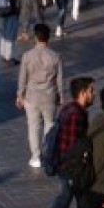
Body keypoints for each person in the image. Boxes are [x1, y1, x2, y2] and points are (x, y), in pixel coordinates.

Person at [24, 76, 95, 208]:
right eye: (92, 90)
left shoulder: (69, 109)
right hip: (71, 170)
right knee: (61, 206)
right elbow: (73, 149)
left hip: (67, 169)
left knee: (79, 206)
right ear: (83, 92)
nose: (94, 94)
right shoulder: (75, 115)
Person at [17, 23, 64, 169]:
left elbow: (22, 78)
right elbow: (60, 80)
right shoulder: (56, 56)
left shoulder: (27, 56)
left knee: (33, 127)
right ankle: (48, 153)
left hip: (31, 96)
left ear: (36, 37)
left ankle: (35, 156)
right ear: (48, 38)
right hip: (49, 95)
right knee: (49, 126)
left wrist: (20, 95)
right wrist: (61, 97)